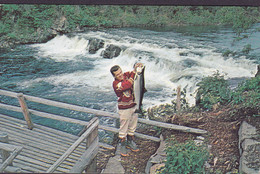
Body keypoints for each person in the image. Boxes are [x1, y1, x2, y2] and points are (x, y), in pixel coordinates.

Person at [110, 63, 143, 157]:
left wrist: (137, 67)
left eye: (121, 72)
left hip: (133, 106)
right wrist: (133, 75)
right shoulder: (116, 84)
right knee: (123, 127)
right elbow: (128, 85)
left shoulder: (126, 75)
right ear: (114, 76)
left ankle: (130, 141)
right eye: (118, 74)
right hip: (124, 109)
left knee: (133, 124)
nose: (120, 75)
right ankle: (123, 145)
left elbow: (135, 73)